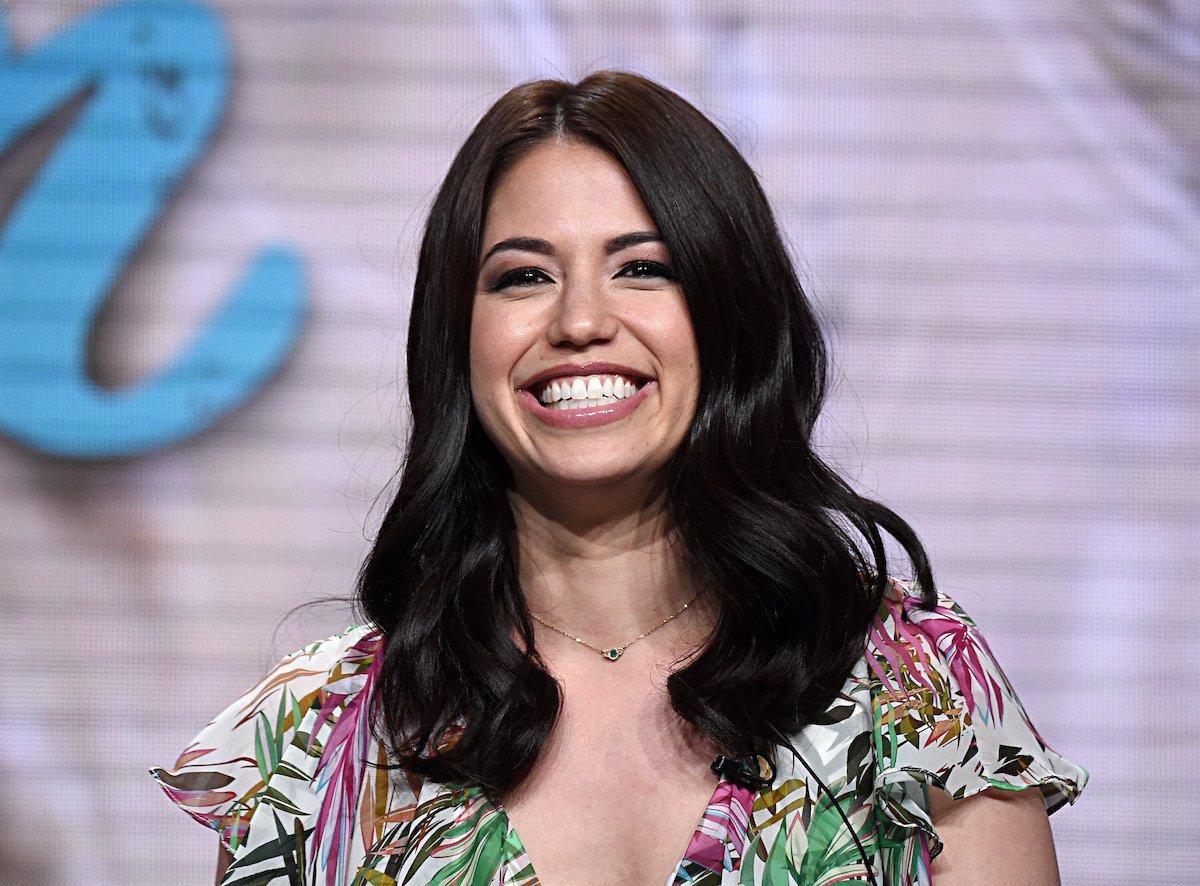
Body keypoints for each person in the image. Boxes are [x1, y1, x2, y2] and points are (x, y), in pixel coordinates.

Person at [152, 71, 1087, 885]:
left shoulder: (917, 687)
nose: (581, 322)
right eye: (523, 278)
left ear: (730, 316)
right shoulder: (311, 739)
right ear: (457, 341)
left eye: (643, 268)